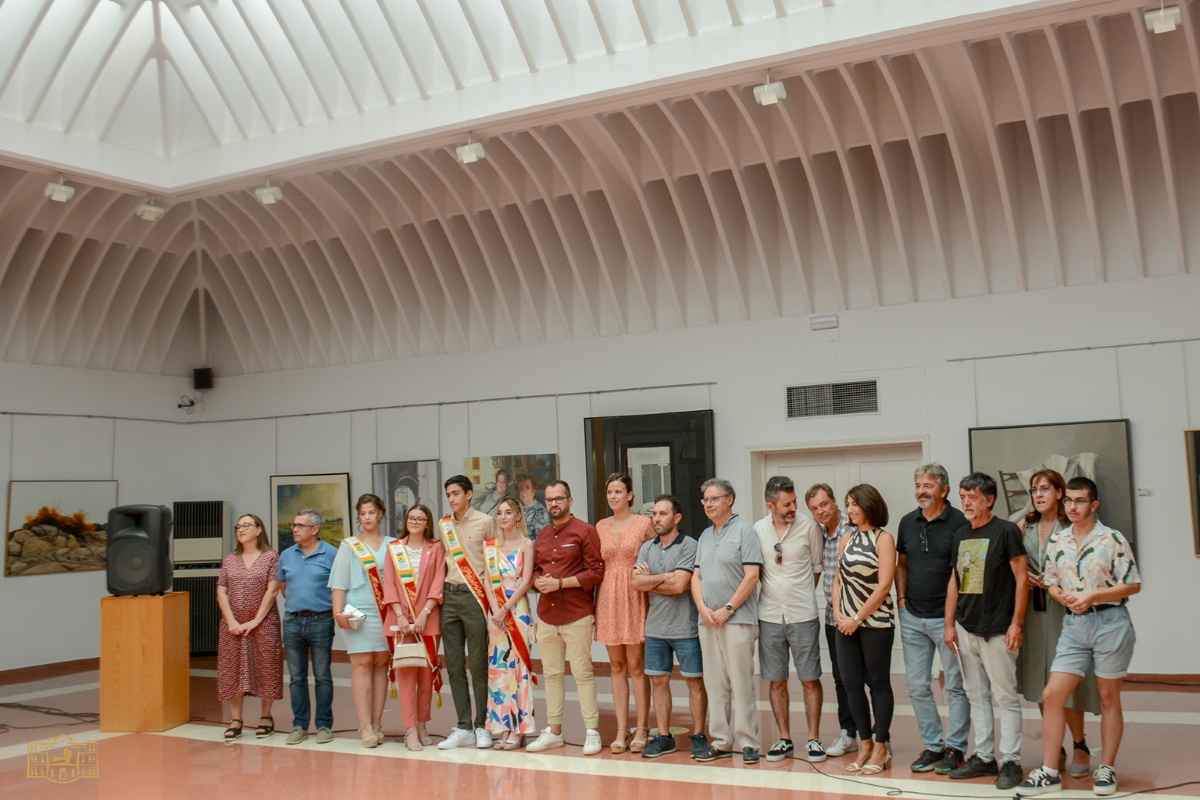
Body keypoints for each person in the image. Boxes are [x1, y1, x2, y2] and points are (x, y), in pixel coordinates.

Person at [1016, 477, 1141, 798]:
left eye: (1079, 501)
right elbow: (1053, 582)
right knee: (1053, 693)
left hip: (1110, 622)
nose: (1072, 506)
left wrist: (1091, 597)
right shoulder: (1059, 541)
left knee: (1107, 696)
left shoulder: (1112, 539)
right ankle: (1048, 770)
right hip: (1074, 625)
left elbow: (1132, 584)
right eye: (1069, 500)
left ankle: (1107, 767)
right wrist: (1061, 596)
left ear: (1093, 504)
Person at [944, 472, 1028, 790]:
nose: (966, 502)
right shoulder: (961, 534)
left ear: (989, 500)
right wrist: (949, 624)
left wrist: (1017, 624)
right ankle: (984, 756)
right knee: (975, 695)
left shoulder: (1006, 532)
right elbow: (954, 579)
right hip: (967, 628)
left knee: (1004, 696)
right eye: (963, 496)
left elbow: (1021, 579)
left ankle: (1011, 761)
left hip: (998, 628)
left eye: (973, 497)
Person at [1017, 469, 1099, 778]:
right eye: (1034, 490)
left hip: (1064, 610)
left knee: (1067, 678)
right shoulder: (1024, 527)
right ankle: (1057, 748)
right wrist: (1024, 578)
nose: (1038, 495)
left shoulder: (1072, 526)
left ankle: (1080, 743)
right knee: (1040, 681)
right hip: (1032, 614)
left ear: (1059, 493)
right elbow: (1011, 564)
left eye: (1045, 489)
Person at [895, 464, 970, 774]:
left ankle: (956, 748)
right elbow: (902, 564)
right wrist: (901, 601)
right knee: (916, 685)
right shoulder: (906, 522)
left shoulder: (960, 523)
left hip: (947, 619)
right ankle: (933, 745)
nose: (921, 491)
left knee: (955, 686)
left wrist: (953, 618)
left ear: (944, 490)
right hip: (912, 616)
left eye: (928, 485)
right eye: (918, 485)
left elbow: (962, 572)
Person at [525, 480, 605, 755]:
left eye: (559, 499)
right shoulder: (543, 535)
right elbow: (534, 571)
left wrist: (561, 583)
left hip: (576, 614)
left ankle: (592, 731)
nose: (553, 504)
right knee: (552, 674)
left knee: (583, 674)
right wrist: (539, 582)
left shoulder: (586, 531)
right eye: (549, 500)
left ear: (570, 501)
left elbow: (596, 573)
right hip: (547, 615)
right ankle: (554, 731)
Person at [754, 476, 826, 763]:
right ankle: (784, 738)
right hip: (769, 615)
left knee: (810, 678)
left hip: (803, 614)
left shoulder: (809, 527)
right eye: (787, 504)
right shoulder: (758, 530)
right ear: (771, 505)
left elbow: (818, 567)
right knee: (776, 680)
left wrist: (801, 592)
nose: (794, 507)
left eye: (795, 501)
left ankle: (813, 738)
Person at [691, 478, 762, 764]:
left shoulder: (745, 532)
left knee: (741, 682)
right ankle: (720, 741)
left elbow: (752, 576)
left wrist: (728, 608)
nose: (709, 504)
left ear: (729, 499)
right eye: (705, 500)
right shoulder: (705, 536)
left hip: (737, 620)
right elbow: (696, 576)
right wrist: (703, 609)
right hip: (707, 621)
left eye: (714, 498)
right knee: (715, 682)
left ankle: (749, 743)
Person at [632, 494, 708, 759]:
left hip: (686, 628)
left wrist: (651, 579)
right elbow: (635, 584)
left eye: (663, 514)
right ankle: (664, 737)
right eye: (654, 514)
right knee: (659, 682)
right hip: (655, 629)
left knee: (695, 683)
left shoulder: (689, 545)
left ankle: (698, 735)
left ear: (676, 518)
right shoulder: (646, 548)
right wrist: (667, 576)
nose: (657, 519)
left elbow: (680, 586)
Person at [831, 484, 896, 775]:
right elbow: (837, 579)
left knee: (878, 684)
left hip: (875, 623)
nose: (851, 509)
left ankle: (881, 745)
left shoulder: (884, 538)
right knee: (850, 683)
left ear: (870, 504)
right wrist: (838, 613)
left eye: (855, 503)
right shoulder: (846, 537)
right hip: (844, 623)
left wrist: (857, 617)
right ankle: (865, 742)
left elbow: (884, 585)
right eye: (848, 504)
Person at [595, 472, 656, 753]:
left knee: (636, 665)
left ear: (630, 495)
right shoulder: (600, 526)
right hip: (609, 594)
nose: (613, 497)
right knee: (616, 666)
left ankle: (643, 727)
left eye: (618, 491)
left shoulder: (644, 523)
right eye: (610, 492)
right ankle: (622, 728)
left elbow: (657, 553)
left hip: (634, 593)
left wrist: (648, 572)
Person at [330, 493, 397, 748]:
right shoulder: (349, 545)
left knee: (381, 664)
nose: (367, 517)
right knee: (361, 664)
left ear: (380, 513)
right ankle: (364, 725)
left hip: (386, 611)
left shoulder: (393, 544)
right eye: (362, 514)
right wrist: (338, 614)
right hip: (358, 610)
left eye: (371, 512)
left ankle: (377, 722)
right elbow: (338, 583)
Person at [437, 475, 499, 750]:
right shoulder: (444, 526)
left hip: (475, 597)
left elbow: (493, 565)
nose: (451, 499)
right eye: (448, 494)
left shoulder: (485, 522)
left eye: (455, 494)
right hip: (449, 596)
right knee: (453, 665)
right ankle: (463, 726)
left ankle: (482, 725)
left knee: (478, 664)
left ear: (469, 495)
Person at [382, 503, 446, 751]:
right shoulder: (394, 549)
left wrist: (424, 614)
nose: (415, 522)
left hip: (427, 620)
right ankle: (409, 729)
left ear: (427, 522)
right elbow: (389, 583)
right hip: (399, 621)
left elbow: (438, 581)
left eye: (420, 518)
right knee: (406, 675)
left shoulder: (436, 548)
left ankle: (422, 724)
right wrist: (400, 614)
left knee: (426, 675)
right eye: (411, 518)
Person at [217, 514, 283, 742]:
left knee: (266, 666)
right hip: (232, 625)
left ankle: (266, 716)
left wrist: (256, 620)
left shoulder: (270, 557)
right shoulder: (230, 560)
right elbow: (221, 591)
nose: (241, 530)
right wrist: (232, 621)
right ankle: (236, 719)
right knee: (232, 669)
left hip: (263, 624)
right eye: (238, 526)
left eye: (246, 525)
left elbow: (272, 590)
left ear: (259, 530)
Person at [805, 483, 859, 759]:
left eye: (824, 504)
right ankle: (848, 732)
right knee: (841, 677)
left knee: (866, 678)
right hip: (832, 617)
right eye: (814, 508)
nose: (820, 511)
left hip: (859, 617)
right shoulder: (819, 534)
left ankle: (873, 736)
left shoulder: (854, 530)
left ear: (835, 502)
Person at [277, 509, 337, 746]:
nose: (294, 529)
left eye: (300, 525)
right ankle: (299, 726)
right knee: (296, 678)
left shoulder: (331, 553)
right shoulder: (287, 555)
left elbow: (339, 587)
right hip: (292, 621)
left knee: (322, 676)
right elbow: (283, 585)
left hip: (321, 621)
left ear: (315, 529)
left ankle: (324, 725)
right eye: (294, 525)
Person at [485, 497, 537, 749]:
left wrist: (506, 607)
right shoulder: (490, 547)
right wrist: (496, 609)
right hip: (496, 613)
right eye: (500, 513)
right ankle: (503, 725)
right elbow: (486, 579)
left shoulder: (527, 544)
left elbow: (526, 580)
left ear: (518, 516)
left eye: (508, 512)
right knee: (500, 671)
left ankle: (520, 728)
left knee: (519, 670)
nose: (503, 517)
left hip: (517, 611)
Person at [517, 475, 551, 539]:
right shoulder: (518, 509)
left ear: (533, 491)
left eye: (527, 488)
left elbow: (542, 539)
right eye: (521, 488)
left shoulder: (540, 511)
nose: (523, 491)